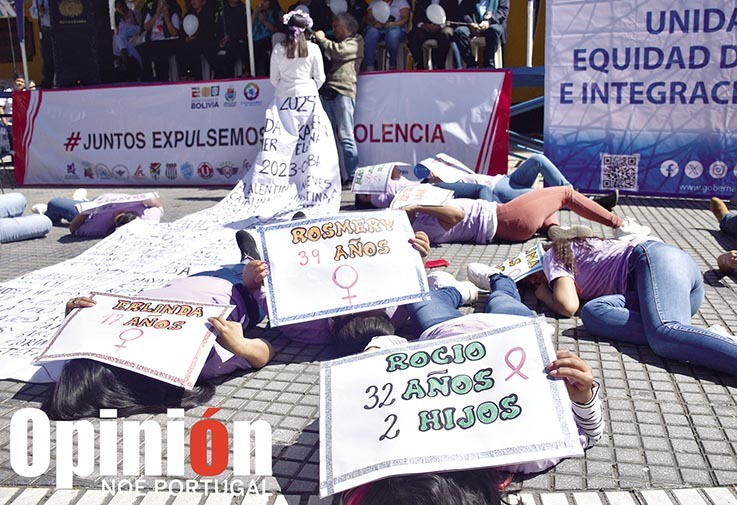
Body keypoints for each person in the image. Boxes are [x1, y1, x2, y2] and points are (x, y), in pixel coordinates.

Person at [44, 269, 274, 420]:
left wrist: (73, 316)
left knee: (239, 264)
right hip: (245, 293)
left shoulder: (103, 347)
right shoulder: (192, 357)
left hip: (193, 279)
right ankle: (251, 255)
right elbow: (264, 352)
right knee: (264, 267)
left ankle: (246, 256)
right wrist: (241, 345)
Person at [516, 236, 737, 375]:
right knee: (594, 313)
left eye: (529, 278)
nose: (533, 282)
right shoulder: (577, 248)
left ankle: (697, 339)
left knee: (663, 334)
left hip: (655, 262)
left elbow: (567, 306)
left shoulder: (552, 256)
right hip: (670, 282)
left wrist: (544, 294)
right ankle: (701, 338)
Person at [241, 11, 341, 218]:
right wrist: (307, 88)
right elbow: (320, 77)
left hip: (283, 100)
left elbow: (273, 78)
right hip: (308, 99)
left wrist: (288, 88)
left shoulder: (278, 48)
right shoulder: (313, 48)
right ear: (307, 28)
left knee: (283, 147)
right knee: (310, 148)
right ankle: (308, 187)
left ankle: (279, 187)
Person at [356, 154, 619, 211]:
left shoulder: (417, 181)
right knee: (555, 196)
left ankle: (578, 198)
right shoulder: (394, 194)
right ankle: (590, 204)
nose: (394, 171)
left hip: (501, 180)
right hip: (498, 191)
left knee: (538, 159)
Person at [405, 186, 649, 245]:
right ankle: (620, 225)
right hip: (506, 218)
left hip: (508, 223)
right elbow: (455, 215)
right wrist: (418, 206)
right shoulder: (425, 225)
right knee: (565, 193)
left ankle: (552, 228)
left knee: (542, 200)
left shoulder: (419, 226)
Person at [314, 13, 364, 186]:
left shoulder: (356, 40)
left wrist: (322, 39)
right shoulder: (334, 43)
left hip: (343, 91)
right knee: (328, 138)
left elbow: (340, 53)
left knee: (346, 136)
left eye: (337, 26)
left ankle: (353, 176)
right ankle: (333, 176)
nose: (333, 29)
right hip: (327, 91)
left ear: (348, 26)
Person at [32, 191, 164, 238]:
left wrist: (87, 211)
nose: (116, 212)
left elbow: (73, 229)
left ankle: (45, 212)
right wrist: (152, 200)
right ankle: (81, 199)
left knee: (55, 203)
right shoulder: (148, 217)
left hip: (89, 212)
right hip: (100, 199)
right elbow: (158, 205)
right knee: (77, 202)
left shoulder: (99, 228)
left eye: (115, 218)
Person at [452, 0, 508, 68]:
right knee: (459, 32)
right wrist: (470, 23)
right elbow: (463, 11)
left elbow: (503, 11)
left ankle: (488, 63)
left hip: (492, 24)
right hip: (473, 26)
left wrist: (489, 22)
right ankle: (471, 63)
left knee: (494, 30)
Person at [138, 0, 182, 81]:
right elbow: (145, 27)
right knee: (142, 49)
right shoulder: (151, 13)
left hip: (167, 41)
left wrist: (166, 17)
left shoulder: (173, 13)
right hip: (152, 42)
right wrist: (156, 14)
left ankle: (162, 78)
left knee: (160, 52)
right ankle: (147, 79)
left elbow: (174, 33)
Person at [363, 0, 410, 71]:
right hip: (379, 28)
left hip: (396, 28)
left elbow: (405, 18)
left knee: (392, 35)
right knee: (371, 33)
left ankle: (392, 64)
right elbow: (368, 19)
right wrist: (374, 24)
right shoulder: (374, 3)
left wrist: (393, 24)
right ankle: (370, 66)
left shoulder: (401, 2)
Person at [407, 0, 454, 70]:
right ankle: (420, 66)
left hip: (443, 28)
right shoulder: (422, 2)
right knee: (413, 34)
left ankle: (440, 67)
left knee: (446, 34)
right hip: (427, 29)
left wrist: (440, 26)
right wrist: (423, 25)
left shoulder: (451, 1)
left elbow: (454, 17)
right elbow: (416, 20)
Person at [178, 0, 217, 80]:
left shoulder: (209, 13)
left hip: (206, 42)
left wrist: (197, 36)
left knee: (200, 48)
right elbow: (182, 31)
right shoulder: (189, 14)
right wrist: (186, 38)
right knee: (182, 47)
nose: (193, 1)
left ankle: (198, 77)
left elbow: (209, 31)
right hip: (191, 43)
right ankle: (185, 75)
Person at [113, 0, 143, 82]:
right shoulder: (118, 20)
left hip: (136, 42)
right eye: (119, 8)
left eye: (122, 6)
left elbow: (141, 28)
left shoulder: (135, 13)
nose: (121, 9)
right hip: (127, 43)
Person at [31, 0, 55, 88]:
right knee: (48, 60)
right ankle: (47, 86)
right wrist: (39, 11)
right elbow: (32, 13)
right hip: (46, 30)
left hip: (60, 31)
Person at [0, 74, 25, 151]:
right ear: (14, 82)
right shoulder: (7, 92)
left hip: (22, 123)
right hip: (8, 123)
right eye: (18, 81)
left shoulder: (26, 93)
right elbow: (0, 107)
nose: (20, 83)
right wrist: (5, 123)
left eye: (22, 82)